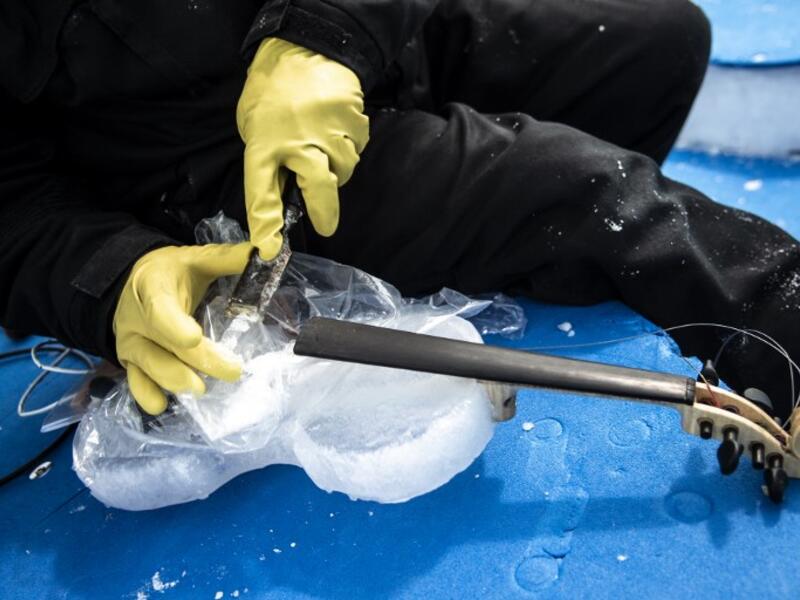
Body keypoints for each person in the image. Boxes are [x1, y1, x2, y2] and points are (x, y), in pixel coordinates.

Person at [2, 0, 798, 418]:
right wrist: (111, 280)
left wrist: (324, 36)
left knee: (662, 39)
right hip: (225, 181)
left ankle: (505, 254)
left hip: (357, 39)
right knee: (588, 191)